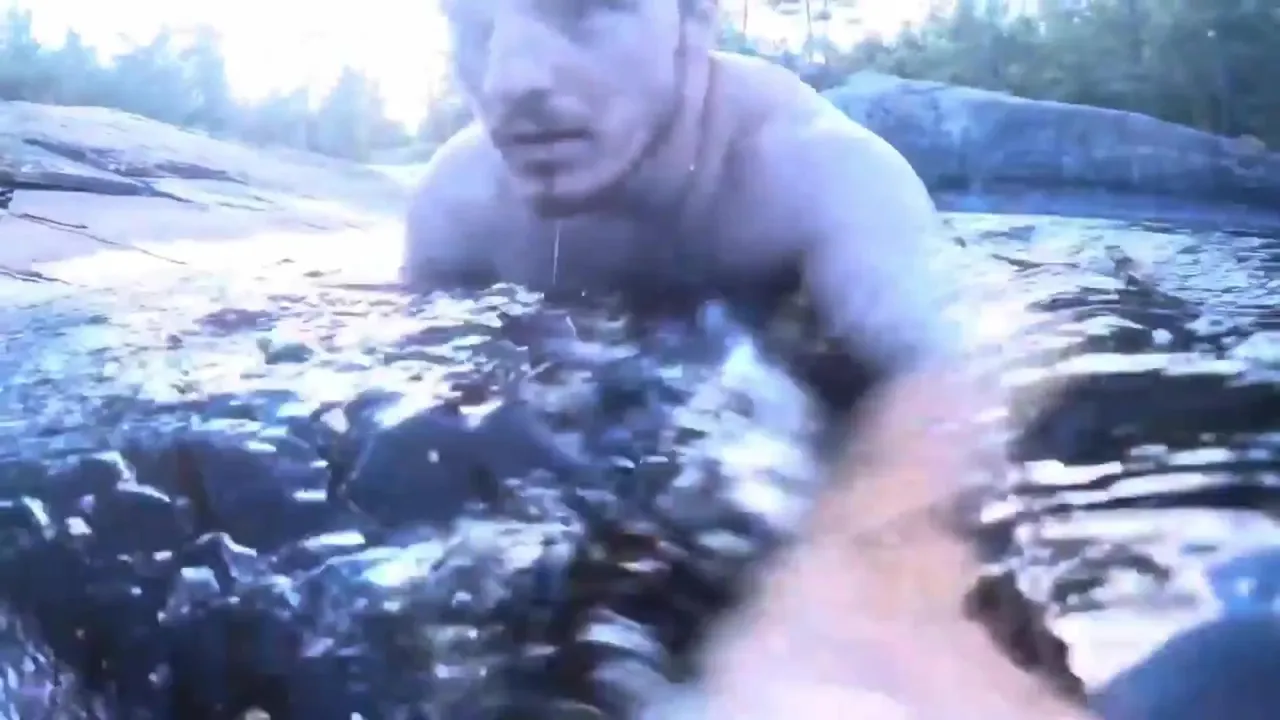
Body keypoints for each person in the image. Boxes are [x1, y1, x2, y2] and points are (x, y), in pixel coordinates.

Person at [407, 0, 1045, 715]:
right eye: (472, 26)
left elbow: (956, 376)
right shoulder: (460, 208)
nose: (508, 78)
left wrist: (849, 601)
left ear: (696, 20)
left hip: (809, 453)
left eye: (583, 11)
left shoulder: (817, 173)